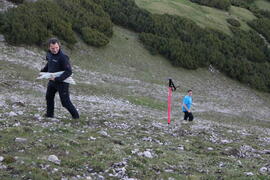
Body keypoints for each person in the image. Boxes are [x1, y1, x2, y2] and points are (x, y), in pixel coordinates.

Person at [41, 38, 79, 119]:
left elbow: (69, 72)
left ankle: (76, 117)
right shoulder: (49, 54)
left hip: (62, 82)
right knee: (49, 97)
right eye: (52, 48)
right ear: (49, 48)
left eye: (56, 48)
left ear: (59, 46)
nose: (55, 50)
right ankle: (49, 115)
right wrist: (43, 71)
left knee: (65, 102)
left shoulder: (63, 57)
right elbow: (49, 63)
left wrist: (57, 79)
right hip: (52, 81)